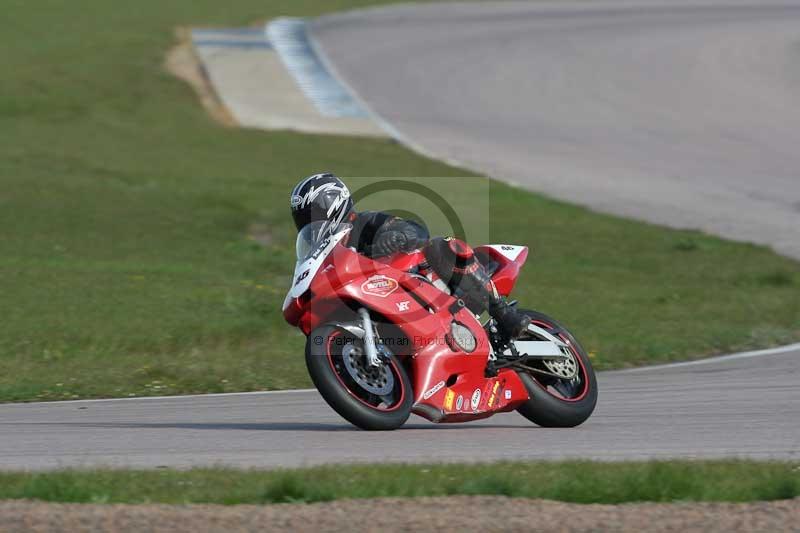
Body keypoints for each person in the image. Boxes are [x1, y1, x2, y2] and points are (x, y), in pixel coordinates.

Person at [289, 172, 530, 340]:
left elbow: (416, 230)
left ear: (332, 203)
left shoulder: (365, 222)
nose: (308, 223)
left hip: (422, 281)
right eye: (303, 219)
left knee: (443, 246)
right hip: (384, 304)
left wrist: (397, 237)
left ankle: (503, 313)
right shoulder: (326, 250)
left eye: (312, 214)